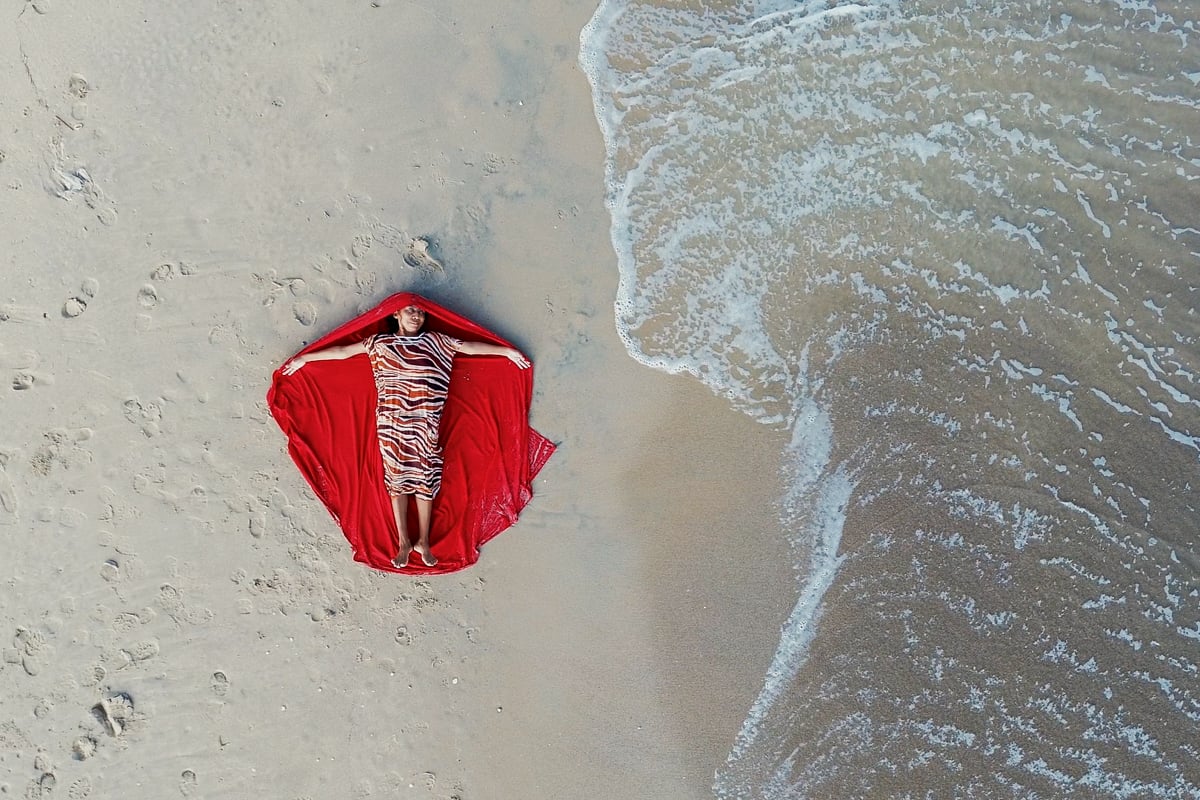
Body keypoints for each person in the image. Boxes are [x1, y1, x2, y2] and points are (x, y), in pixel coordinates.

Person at [282, 303, 530, 568]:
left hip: (425, 422)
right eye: (410, 311)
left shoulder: (437, 341)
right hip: (391, 421)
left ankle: (423, 540)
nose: (417, 316)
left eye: (421, 313)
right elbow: (343, 352)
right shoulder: (379, 342)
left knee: (427, 476)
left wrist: (506, 352)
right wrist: (304, 359)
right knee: (397, 476)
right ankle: (403, 541)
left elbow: (468, 347)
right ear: (395, 314)